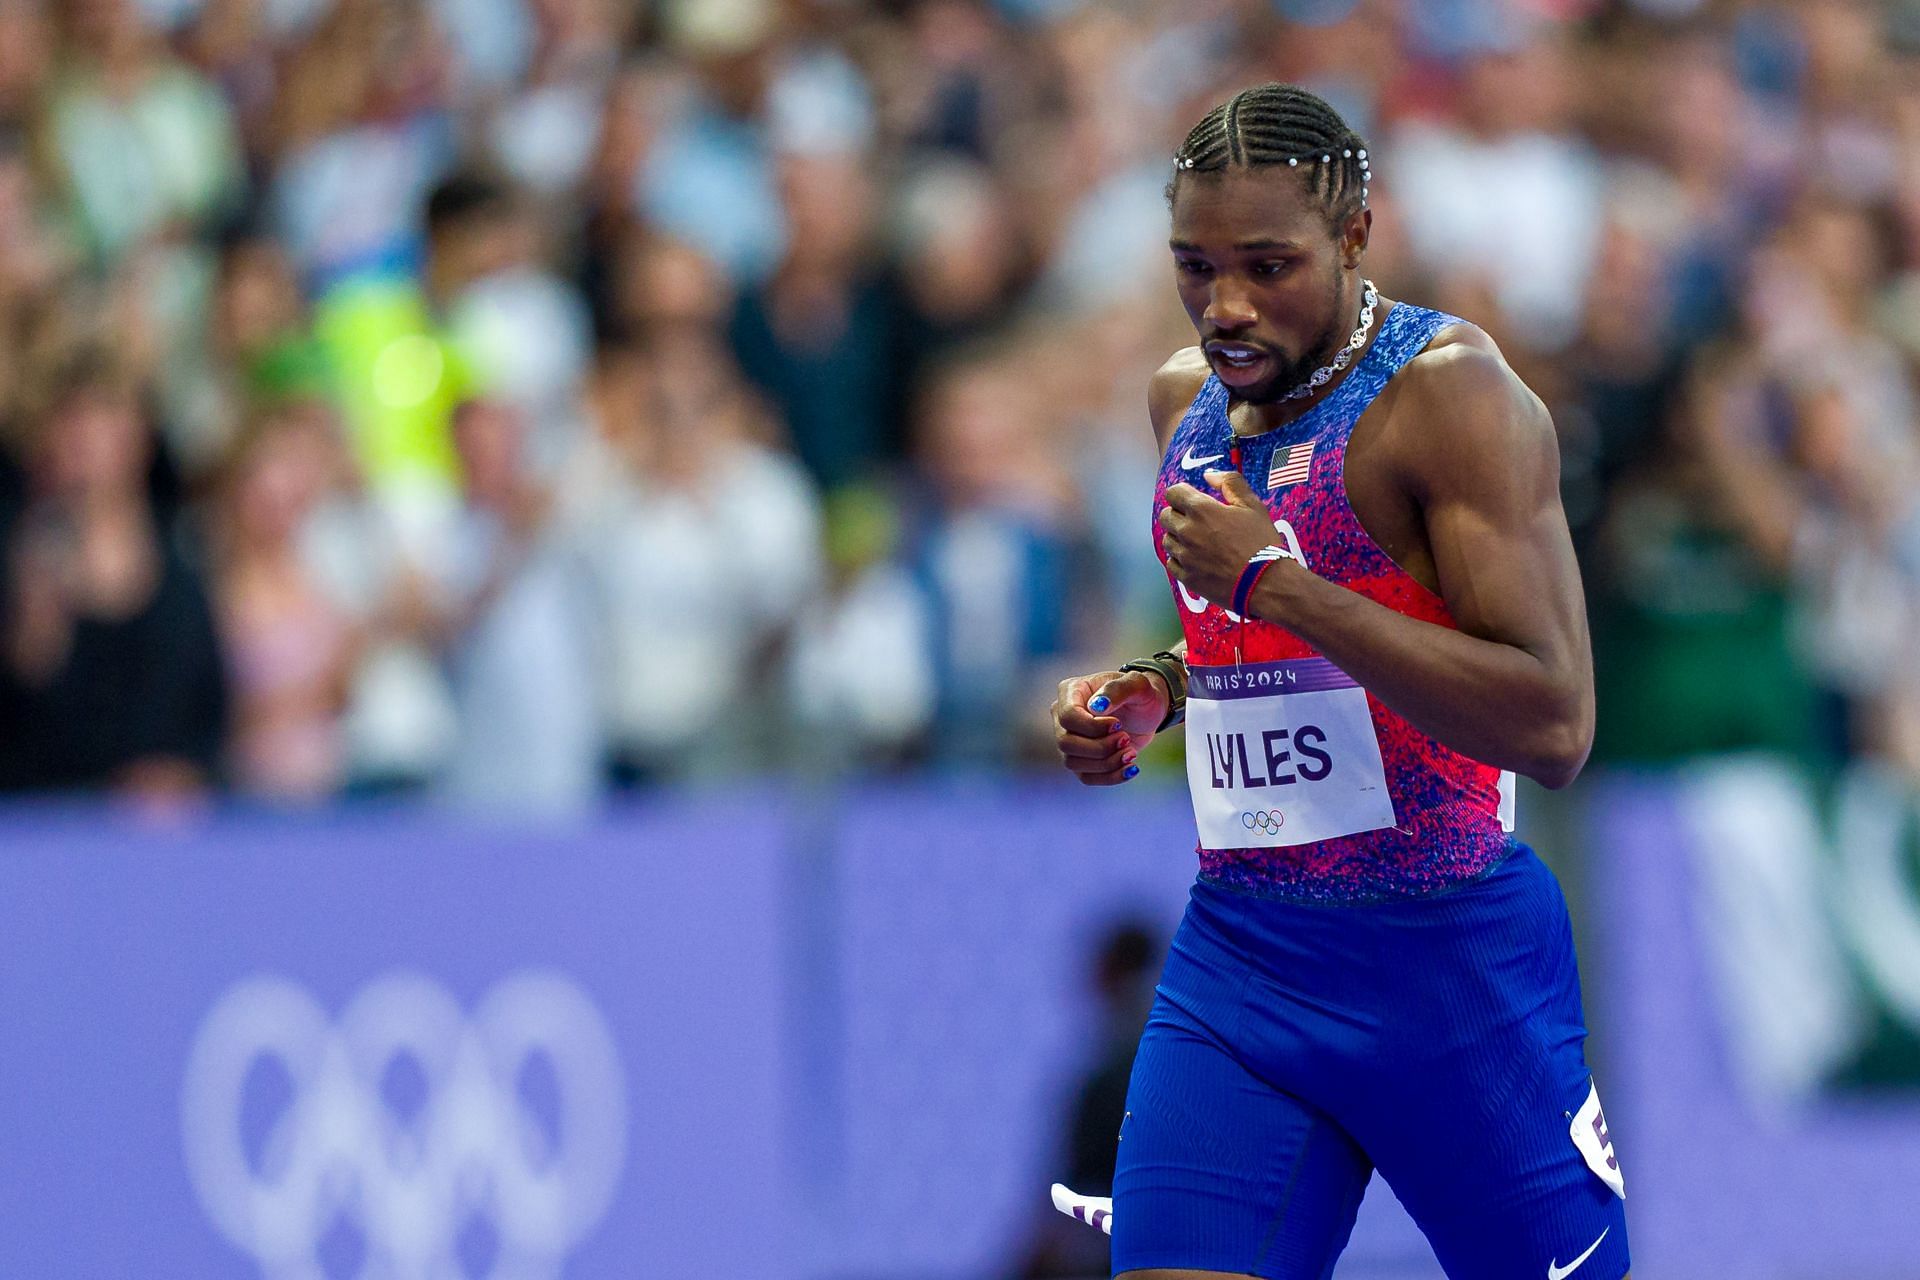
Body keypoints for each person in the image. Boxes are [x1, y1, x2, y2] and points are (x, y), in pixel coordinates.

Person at [1046, 85, 1628, 1280]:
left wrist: (1278, 583)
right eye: (1194, 266)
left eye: (1269, 264)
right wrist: (1160, 681)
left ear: (1355, 233)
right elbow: (1242, 639)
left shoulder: (1450, 397)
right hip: (1244, 958)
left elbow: (1555, 719)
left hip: (1451, 969)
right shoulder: (1184, 404)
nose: (1228, 305)